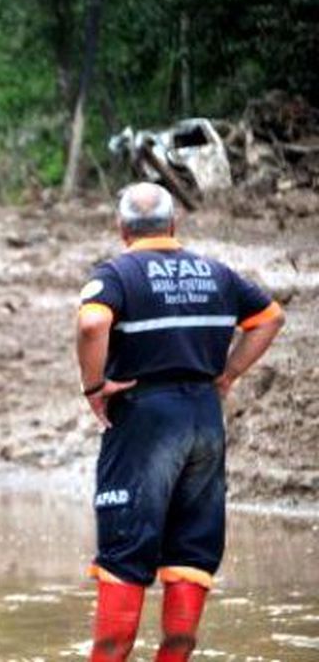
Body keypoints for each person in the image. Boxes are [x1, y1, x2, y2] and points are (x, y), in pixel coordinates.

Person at [76, 182, 284, 661]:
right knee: (191, 552)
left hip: (145, 422)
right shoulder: (217, 273)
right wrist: (228, 373)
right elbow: (270, 318)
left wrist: (93, 387)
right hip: (204, 422)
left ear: (122, 228)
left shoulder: (117, 273)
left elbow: (91, 324)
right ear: (174, 225)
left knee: (125, 551)